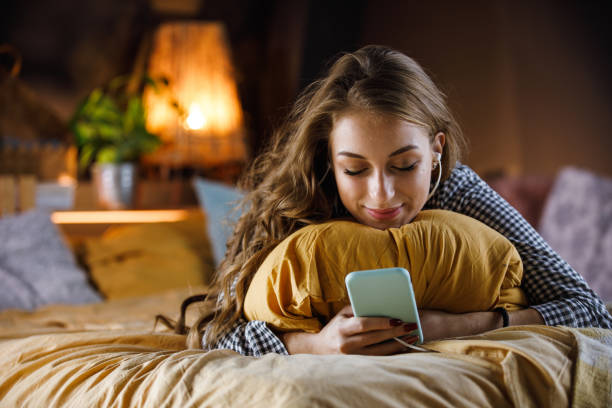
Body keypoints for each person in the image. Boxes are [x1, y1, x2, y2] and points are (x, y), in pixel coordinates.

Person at [186, 45, 612, 356]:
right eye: (354, 169)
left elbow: (590, 312)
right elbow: (213, 331)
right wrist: (313, 345)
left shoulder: (456, 190)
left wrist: (457, 325)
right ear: (329, 160)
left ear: (436, 151)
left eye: (405, 165)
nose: (382, 195)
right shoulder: (304, 197)